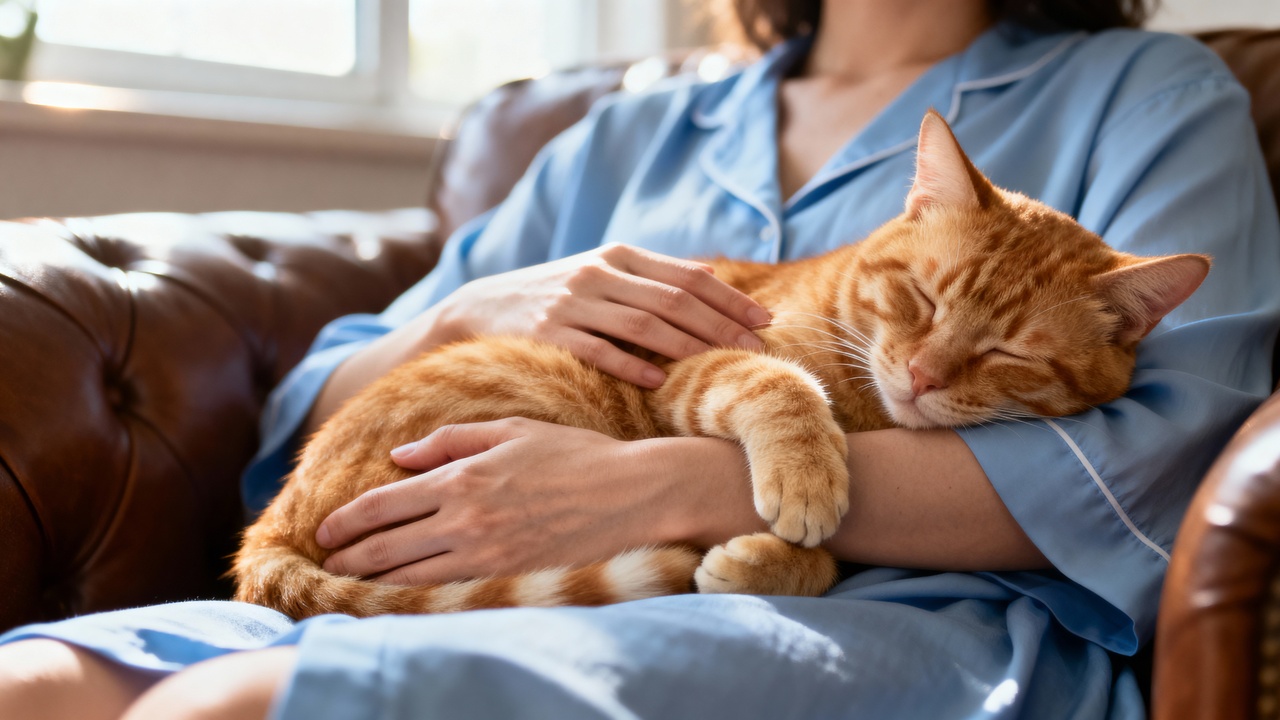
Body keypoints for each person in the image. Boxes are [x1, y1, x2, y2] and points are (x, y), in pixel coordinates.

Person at [2, 0, 1278, 718]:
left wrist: (692, 484)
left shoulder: (1145, 92)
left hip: (901, 617)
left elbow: (1166, 459)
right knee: (32, 685)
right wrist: (468, 317)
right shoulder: (630, 128)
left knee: (217, 714)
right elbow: (312, 411)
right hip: (464, 562)